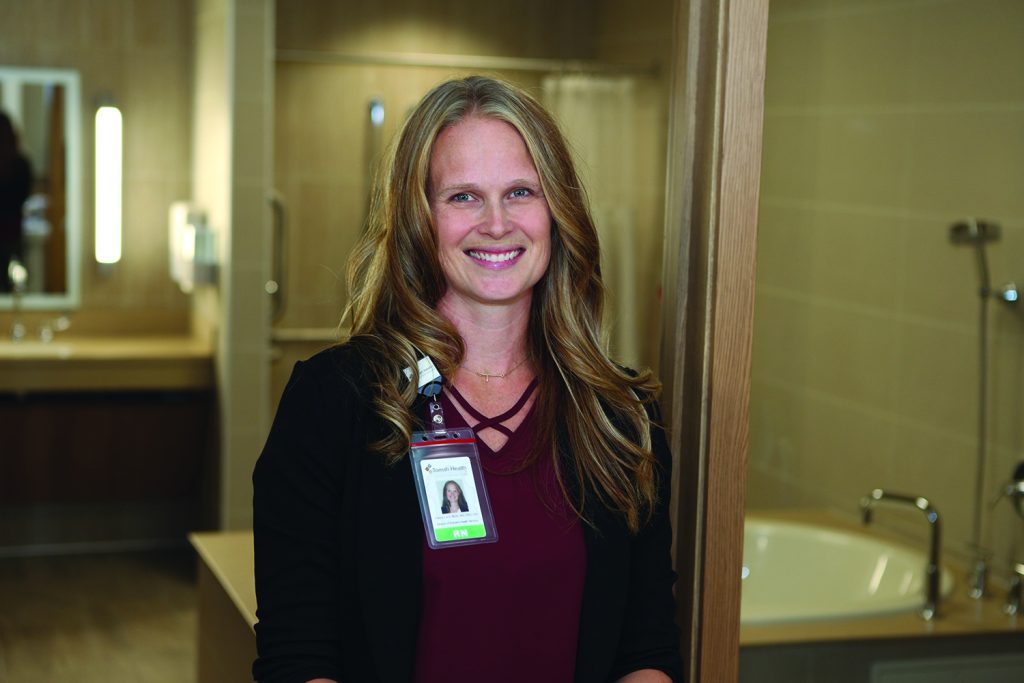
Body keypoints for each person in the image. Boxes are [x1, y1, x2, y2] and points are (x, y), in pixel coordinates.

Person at [253, 75, 682, 683]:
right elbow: (298, 656)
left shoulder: (619, 415)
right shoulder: (334, 403)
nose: (497, 223)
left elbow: (647, 651)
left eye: (520, 192)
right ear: (419, 219)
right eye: (462, 197)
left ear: (556, 210)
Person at [0, 112, 32, 292]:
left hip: (12, 237)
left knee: (13, 284)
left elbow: (20, 198)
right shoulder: (21, 164)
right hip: (14, 235)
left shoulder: (21, 166)